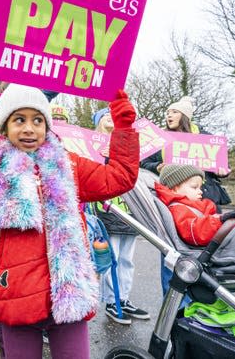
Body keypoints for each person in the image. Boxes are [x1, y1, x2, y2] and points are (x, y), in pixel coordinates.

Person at [0, 57, 140, 359]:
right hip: (15, 299)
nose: (29, 128)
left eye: (37, 120)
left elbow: (120, 177)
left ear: (47, 124)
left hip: (70, 298)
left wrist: (124, 127)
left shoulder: (69, 166)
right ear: (4, 126)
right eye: (19, 119)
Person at [92, 108, 150, 325]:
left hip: (129, 211)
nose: (110, 117)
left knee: (127, 259)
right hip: (107, 210)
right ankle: (111, 301)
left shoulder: (126, 144)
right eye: (104, 115)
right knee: (111, 258)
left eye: (112, 115)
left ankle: (123, 299)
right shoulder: (93, 148)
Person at [140, 96, 230, 212]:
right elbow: (144, 163)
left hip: (207, 198)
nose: (169, 115)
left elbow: (223, 164)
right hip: (175, 199)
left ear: (184, 116)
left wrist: (222, 171)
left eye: (174, 112)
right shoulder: (160, 138)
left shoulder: (205, 137)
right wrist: (157, 166)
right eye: (167, 113)